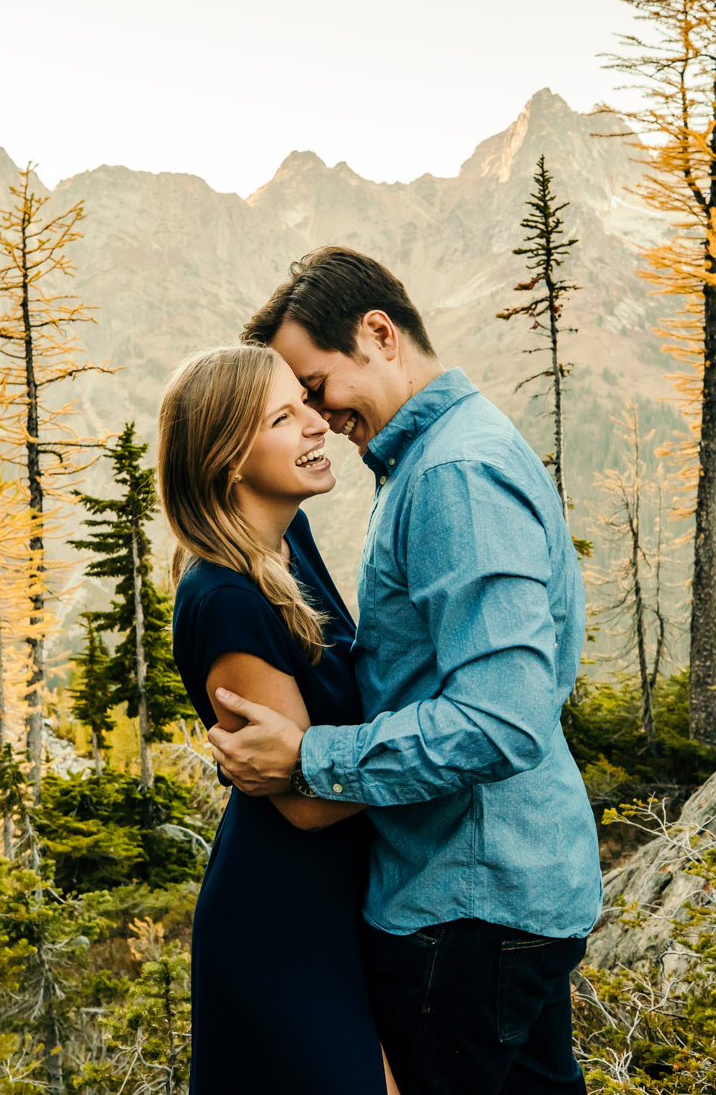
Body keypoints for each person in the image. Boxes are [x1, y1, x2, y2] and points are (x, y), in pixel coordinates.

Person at [208, 245, 601, 1095]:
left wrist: (312, 759)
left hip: (465, 905)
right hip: (505, 891)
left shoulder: (454, 474)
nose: (318, 416)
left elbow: (503, 716)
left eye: (315, 387)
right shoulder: (445, 454)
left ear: (378, 334)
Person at [157, 343, 400, 1095]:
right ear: (230, 457)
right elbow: (302, 797)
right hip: (282, 923)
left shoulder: (284, 541)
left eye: (307, 401)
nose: (317, 424)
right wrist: (458, 756)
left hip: (336, 906)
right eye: (283, 417)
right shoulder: (225, 597)